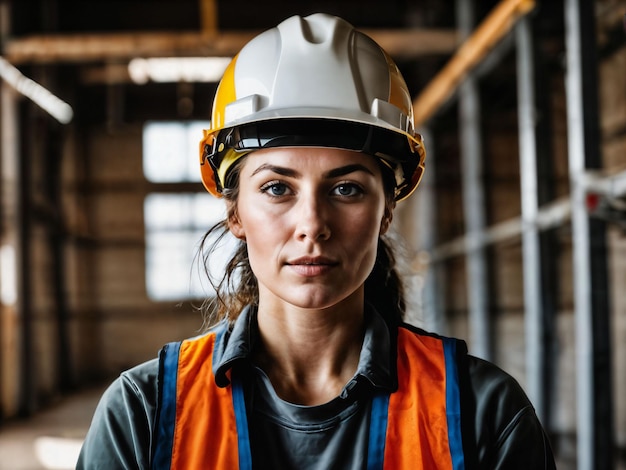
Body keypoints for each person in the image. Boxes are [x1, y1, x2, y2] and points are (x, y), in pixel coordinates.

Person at [77, 13, 555, 469]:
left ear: (387, 209)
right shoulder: (145, 414)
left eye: (346, 189)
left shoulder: (481, 414)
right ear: (234, 211)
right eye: (277, 188)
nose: (313, 224)